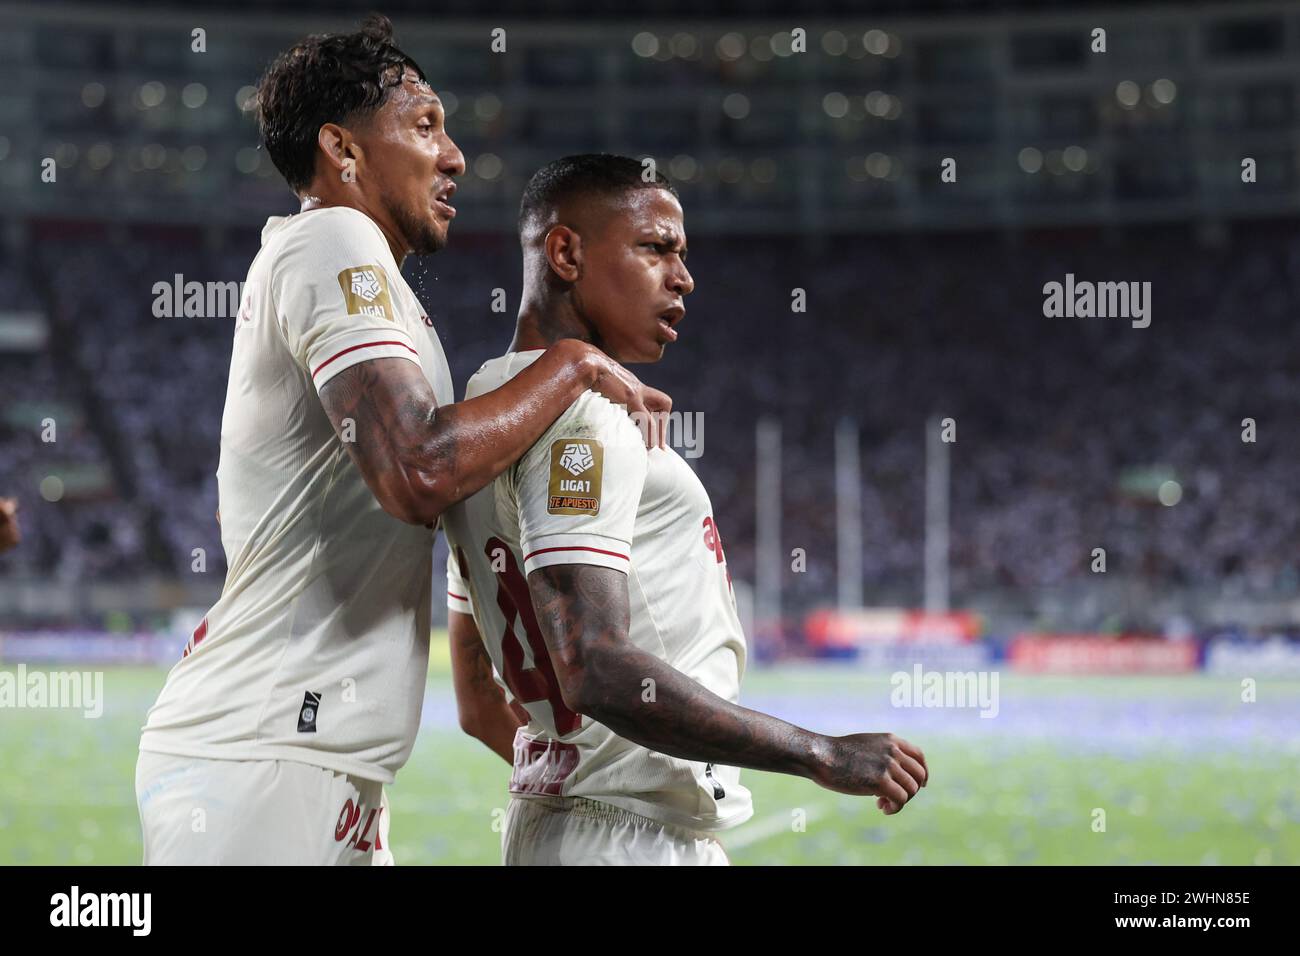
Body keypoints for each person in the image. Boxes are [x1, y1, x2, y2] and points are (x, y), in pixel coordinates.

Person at [135, 18, 668, 866]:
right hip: (269, 750)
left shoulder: (373, 283)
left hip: (319, 760)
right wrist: (572, 364)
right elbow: (419, 467)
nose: (454, 156)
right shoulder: (329, 237)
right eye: (425, 125)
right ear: (342, 151)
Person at [442, 154, 928, 866]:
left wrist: (573, 768)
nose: (683, 277)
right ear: (566, 252)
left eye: (683, 254)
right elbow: (595, 665)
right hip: (627, 842)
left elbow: (477, 697)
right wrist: (819, 753)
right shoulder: (582, 416)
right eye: (656, 248)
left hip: (571, 825)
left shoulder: (485, 410)